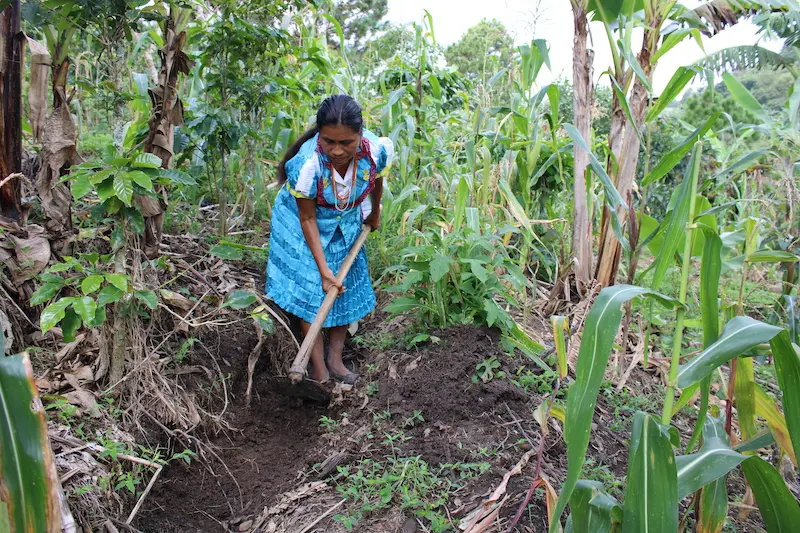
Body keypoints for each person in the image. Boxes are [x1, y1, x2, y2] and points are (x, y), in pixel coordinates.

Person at [266, 94, 393, 385]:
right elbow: (307, 218)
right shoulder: (307, 166)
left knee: (344, 285)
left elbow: (377, 179)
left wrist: (374, 212)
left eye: (345, 143)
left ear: (359, 136)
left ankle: (335, 360)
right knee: (313, 291)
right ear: (319, 135)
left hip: (345, 219)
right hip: (302, 224)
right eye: (328, 141)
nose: (336, 150)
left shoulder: (374, 151)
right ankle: (318, 371)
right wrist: (323, 272)